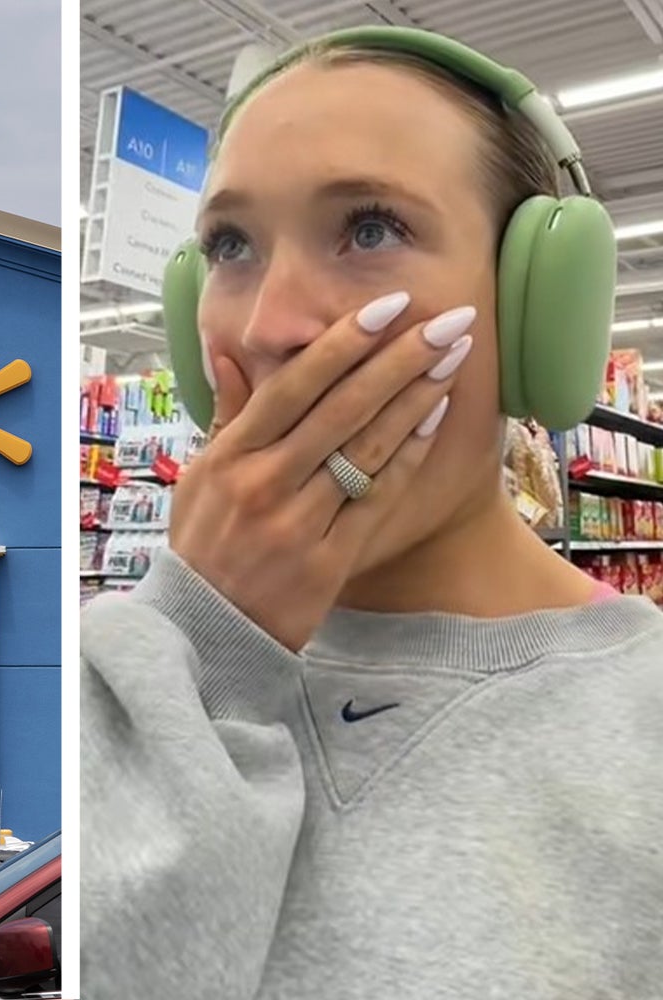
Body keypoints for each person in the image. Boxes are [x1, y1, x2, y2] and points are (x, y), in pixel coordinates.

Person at [80, 27, 663, 999]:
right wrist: (201, 638)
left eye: (367, 228)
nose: (269, 325)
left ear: (532, 311)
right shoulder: (120, 680)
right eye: (229, 245)